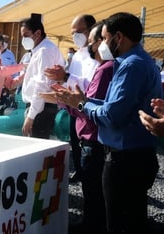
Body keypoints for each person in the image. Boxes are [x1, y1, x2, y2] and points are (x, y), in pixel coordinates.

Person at [64, 12, 162, 234]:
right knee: (132, 219)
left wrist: (82, 105)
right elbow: (114, 104)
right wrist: (85, 101)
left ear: (118, 37)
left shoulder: (131, 65)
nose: (101, 45)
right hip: (136, 154)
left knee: (118, 224)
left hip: (125, 158)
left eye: (104, 38)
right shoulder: (137, 61)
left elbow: (111, 115)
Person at [41, 21, 112, 234]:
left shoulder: (106, 68)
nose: (89, 46)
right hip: (84, 125)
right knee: (92, 185)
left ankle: (92, 225)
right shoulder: (91, 60)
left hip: (93, 132)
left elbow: (89, 103)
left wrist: (67, 101)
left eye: (92, 41)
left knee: (94, 188)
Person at [45, 14, 99, 183]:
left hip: (88, 106)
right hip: (72, 105)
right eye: (73, 33)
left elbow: (90, 83)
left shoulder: (97, 55)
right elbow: (70, 78)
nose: (75, 36)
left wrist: (67, 76)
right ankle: (79, 169)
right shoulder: (77, 55)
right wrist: (61, 80)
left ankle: (89, 174)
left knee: (88, 145)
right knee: (74, 140)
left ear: (91, 30)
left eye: (79, 32)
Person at [20, 14, 66, 138]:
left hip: (41, 109)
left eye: (26, 35)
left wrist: (31, 116)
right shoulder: (42, 49)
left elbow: (41, 86)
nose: (23, 39)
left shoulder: (44, 51)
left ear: (37, 33)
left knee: (34, 149)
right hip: (41, 107)